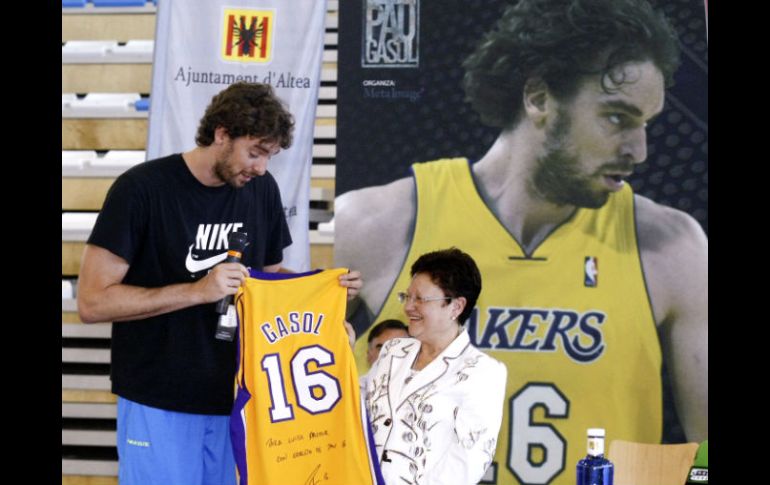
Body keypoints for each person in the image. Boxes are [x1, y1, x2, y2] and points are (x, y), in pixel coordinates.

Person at [335, 1, 707, 484]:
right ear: (539, 98)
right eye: (617, 118)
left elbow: (705, 450)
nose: (639, 150)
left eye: (646, 124)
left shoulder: (673, 248)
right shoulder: (375, 225)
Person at [76, 82, 362, 485]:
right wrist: (198, 291)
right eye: (256, 152)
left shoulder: (261, 190)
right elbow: (92, 302)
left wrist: (322, 294)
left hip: (241, 398)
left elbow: (269, 279)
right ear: (222, 134)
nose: (261, 167)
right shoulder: (141, 190)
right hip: (159, 397)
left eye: (270, 156)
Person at [364, 248, 507, 485]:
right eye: (406, 297)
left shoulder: (482, 373)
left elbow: (466, 464)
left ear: (456, 307)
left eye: (420, 299)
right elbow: (358, 411)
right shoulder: (392, 352)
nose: (408, 307)